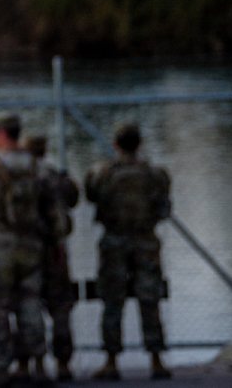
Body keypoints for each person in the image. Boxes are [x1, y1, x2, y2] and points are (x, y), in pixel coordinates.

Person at [0, 115, 60, 386]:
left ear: (3, 134)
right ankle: (39, 363)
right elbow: (55, 210)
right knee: (31, 303)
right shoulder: (38, 167)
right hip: (32, 245)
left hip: (1, 244)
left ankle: (2, 366)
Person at [84, 123, 172, 382]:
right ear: (140, 144)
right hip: (146, 242)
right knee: (150, 299)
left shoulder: (102, 173)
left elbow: (91, 197)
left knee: (112, 301)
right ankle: (156, 359)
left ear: (115, 145)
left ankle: (111, 361)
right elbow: (164, 209)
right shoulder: (155, 174)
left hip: (114, 242)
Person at [23, 135, 79, 382]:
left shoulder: (20, 177)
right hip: (56, 250)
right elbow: (74, 198)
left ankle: (35, 361)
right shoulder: (57, 177)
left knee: (29, 305)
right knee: (60, 308)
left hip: (28, 248)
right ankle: (64, 362)